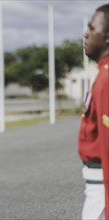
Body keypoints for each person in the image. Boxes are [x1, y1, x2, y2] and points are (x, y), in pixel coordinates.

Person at [78, 4, 109, 220]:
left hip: (103, 187)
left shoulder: (107, 79)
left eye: (92, 28)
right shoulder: (102, 74)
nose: (86, 33)